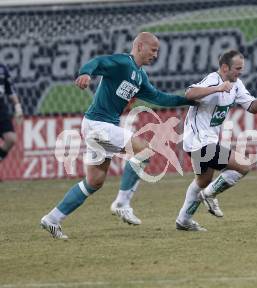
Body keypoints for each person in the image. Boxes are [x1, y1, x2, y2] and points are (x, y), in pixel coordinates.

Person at [40, 32, 195, 239]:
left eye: (157, 51)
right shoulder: (123, 63)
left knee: (94, 181)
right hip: (98, 125)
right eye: (153, 50)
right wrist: (86, 73)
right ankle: (122, 203)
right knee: (145, 150)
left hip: (99, 127)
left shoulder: (140, 76)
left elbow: (159, 98)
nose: (156, 55)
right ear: (140, 46)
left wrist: (189, 101)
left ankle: (52, 218)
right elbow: (98, 62)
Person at [175, 49, 257, 231]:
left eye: (241, 68)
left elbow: (252, 107)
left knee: (203, 180)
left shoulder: (236, 84)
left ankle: (183, 220)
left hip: (204, 141)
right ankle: (210, 195)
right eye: (237, 68)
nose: (240, 72)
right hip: (200, 141)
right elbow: (189, 94)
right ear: (224, 67)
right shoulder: (214, 79)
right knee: (243, 165)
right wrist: (218, 88)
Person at [0, 63, 23, 163]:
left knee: (11, 138)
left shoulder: (2, 68)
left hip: (0, 106)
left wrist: (18, 108)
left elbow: (10, 91)